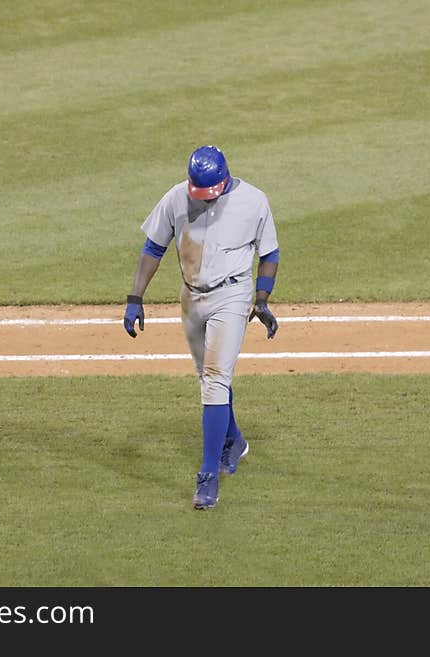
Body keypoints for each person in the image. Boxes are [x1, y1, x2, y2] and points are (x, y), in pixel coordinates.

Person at [123, 144, 280, 510]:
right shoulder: (176, 198)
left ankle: (207, 477)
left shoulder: (254, 201)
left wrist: (261, 298)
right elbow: (153, 247)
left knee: (214, 377)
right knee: (208, 377)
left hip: (232, 293)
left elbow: (269, 253)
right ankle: (234, 441)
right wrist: (135, 297)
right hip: (191, 297)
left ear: (225, 179)